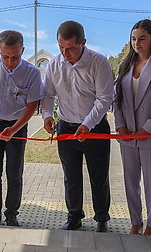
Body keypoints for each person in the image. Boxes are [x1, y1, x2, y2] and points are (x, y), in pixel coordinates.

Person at [41, 20, 113, 232]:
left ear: (83, 42)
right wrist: (46, 115)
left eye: (71, 48)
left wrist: (87, 124)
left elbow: (104, 99)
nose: (65, 53)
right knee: (70, 175)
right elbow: (48, 94)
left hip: (96, 127)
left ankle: (102, 219)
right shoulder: (54, 64)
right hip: (66, 127)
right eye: (61, 47)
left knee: (99, 175)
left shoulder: (99, 63)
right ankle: (74, 217)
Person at [113, 19, 151, 236]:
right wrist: (120, 126)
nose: (136, 43)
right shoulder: (123, 66)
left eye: (141, 39)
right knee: (130, 181)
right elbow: (117, 99)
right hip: (127, 135)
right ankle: (135, 221)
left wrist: (148, 128)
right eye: (133, 39)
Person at [0, 30, 43, 227]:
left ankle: (12, 214)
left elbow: (32, 104)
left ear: (23, 50)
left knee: (14, 173)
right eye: (5, 56)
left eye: (15, 56)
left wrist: (14, 128)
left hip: (17, 126)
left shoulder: (32, 72)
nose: (10, 61)